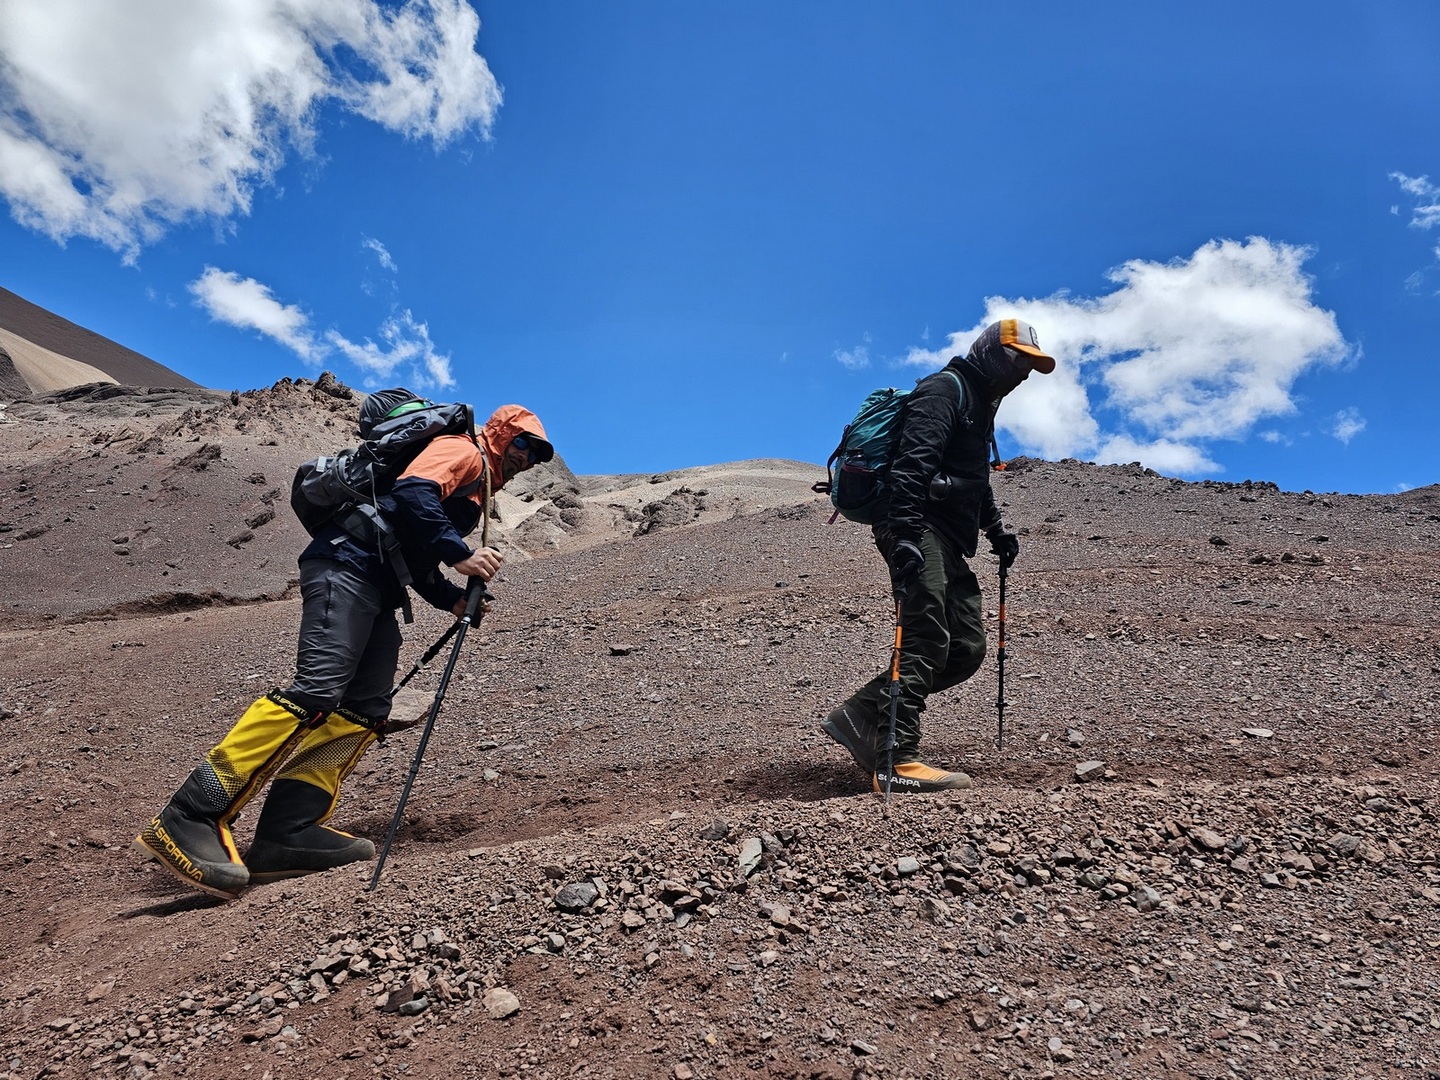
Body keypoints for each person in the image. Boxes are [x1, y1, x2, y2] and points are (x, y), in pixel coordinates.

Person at [134, 397, 554, 899]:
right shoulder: (464, 451)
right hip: (344, 564)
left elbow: (416, 555)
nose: (528, 459)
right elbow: (413, 492)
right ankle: (189, 814)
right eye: (525, 444)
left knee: (365, 706)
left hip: (379, 580)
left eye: (539, 455)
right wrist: (461, 553)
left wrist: (454, 599)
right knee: (318, 688)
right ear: (503, 434)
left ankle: (286, 834)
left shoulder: (478, 488)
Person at [822, 318, 1055, 793]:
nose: (1024, 374)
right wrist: (906, 534)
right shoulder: (944, 391)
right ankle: (896, 759)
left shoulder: (981, 405)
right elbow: (912, 466)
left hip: (949, 536)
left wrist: (996, 530)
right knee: (925, 636)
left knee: (966, 649)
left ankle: (861, 713)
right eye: (1018, 361)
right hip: (917, 527)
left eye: (1030, 366)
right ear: (992, 353)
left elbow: (974, 478)